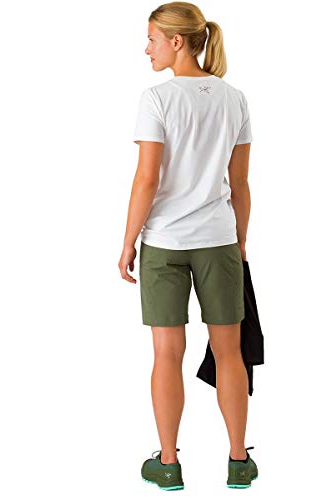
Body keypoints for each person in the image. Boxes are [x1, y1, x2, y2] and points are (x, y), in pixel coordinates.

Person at [118, 2, 258, 490]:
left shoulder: (157, 99)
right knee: (229, 353)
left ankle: (169, 464)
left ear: (176, 41)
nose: (147, 49)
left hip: (164, 243)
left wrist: (128, 241)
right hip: (219, 240)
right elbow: (240, 183)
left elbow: (147, 179)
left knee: (166, 354)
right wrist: (239, 240)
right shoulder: (234, 98)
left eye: (152, 39)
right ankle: (238, 461)